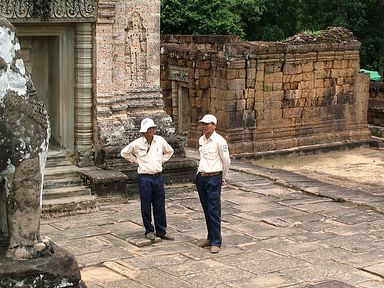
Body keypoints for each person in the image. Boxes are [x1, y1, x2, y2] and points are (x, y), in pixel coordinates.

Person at [121, 118, 175, 241]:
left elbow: (169, 151)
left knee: (159, 205)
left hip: (157, 176)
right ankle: (149, 230)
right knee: (146, 204)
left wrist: (161, 160)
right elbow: (124, 153)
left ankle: (161, 231)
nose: (151, 130)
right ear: (144, 131)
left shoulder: (160, 140)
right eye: (149, 129)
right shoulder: (137, 143)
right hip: (145, 177)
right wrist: (137, 161)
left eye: (153, 128)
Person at [195, 114, 230, 254]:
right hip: (202, 176)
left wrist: (222, 177)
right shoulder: (201, 139)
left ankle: (216, 241)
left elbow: (226, 161)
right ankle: (210, 237)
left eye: (207, 124)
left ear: (214, 125)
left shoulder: (219, 141)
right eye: (203, 124)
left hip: (214, 177)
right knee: (206, 208)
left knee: (214, 210)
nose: (204, 126)